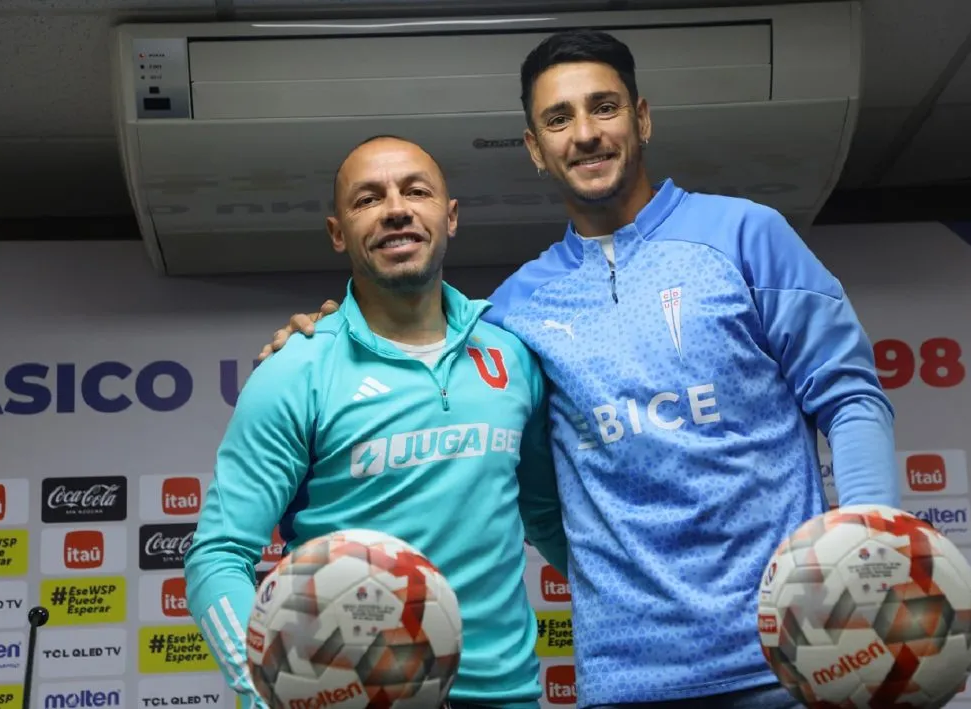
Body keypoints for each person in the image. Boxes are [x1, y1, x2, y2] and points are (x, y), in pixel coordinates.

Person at [255, 30, 900, 709]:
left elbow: (850, 396)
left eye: (605, 107)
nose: (585, 133)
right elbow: (485, 439)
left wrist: (868, 562)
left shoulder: (747, 235)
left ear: (642, 118)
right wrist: (323, 337)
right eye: (558, 119)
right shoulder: (512, 311)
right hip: (623, 678)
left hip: (791, 660)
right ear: (535, 149)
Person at [184, 135, 568, 709]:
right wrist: (264, 685)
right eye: (368, 199)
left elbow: (545, 514)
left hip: (504, 697)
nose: (396, 208)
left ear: (451, 216)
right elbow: (217, 555)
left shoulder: (512, 356)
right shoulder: (296, 371)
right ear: (338, 232)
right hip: (348, 700)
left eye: (416, 191)